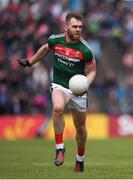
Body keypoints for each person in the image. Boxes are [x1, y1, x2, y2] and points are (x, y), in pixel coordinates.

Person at [18, 12, 97, 172]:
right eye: (75, 26)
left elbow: (92, 71)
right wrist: (30, 62)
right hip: (60, 85)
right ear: (66, 26)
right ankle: (60, 148)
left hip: (78, 91)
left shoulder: (85, 49)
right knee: (58, 108)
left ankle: (79, 160)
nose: (78, 29)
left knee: (80, 128)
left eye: (80, 27)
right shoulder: (55, 40)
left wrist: (86, 83)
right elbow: (46, 49)